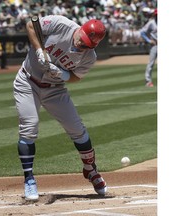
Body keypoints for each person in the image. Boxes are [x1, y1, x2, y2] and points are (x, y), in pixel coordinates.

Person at [13, 15, 107, 200]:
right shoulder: (61, 24)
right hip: (27, 82)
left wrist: (63, 75)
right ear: (81, 29)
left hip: (55, 89)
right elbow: (31, 26)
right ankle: (29, 180)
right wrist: (39, 50)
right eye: (83, 40)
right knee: (29, 128)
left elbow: (76, 77)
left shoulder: (89, 56)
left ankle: (90, 170)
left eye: (88, 45)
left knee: (77, 129)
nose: (82, 45)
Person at [140, 8, 157, 87]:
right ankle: (148, 81)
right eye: (156, 15)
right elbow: (142, 32)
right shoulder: (151, 23)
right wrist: (149, 40)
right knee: (151, 63)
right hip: (155, 45)